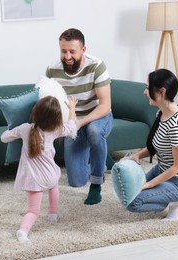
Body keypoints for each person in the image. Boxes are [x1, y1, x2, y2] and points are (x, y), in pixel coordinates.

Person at [45, 28, 113, 205]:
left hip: (97, 116)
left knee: (95, 132)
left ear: (83, 50)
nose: (67, 56)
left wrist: (80, 123)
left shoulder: (97, 66)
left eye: (72, 51)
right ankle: (102, 157)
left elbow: (105, 106)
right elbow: (47, 100)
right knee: (76, 181)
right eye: (63, 51)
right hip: (71, 121)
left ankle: (97, 184)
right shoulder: (52, 70)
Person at [1, 95, 78, 244]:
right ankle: (53, 214)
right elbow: (71, 124)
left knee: (33, 211)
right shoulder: (56, 130)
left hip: (33, 179)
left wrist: (10, 129)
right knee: (53, 185)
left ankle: (23, 231)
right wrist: (72, 107)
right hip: (50, 175)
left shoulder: (24, 129)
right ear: (56, 118)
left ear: (35, 113)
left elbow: (4, 138)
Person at [122, 68, 178, 221]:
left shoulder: (177, 125)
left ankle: (175, 199)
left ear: (161, 91)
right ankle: (162, 195)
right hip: (160, 170)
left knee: (132, 203)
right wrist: (136, 156)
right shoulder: (162, 113)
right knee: (128, 193)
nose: (144, 92)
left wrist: (149, 185)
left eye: (148, 88)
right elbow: (155, 146)